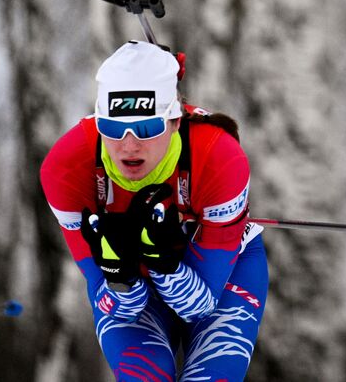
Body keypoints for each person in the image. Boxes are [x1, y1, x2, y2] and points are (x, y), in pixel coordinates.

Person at [40, 40, 268, 380]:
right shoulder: (65, 169)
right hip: (136, 292)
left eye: (147, 128)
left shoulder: (221, 158)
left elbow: (199, 306)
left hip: (222, 277)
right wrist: (121, 275)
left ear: (176, 121)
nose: (129, 145)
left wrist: (163, 264)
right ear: (98, 122)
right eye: (114, 129)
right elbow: (117, 307)